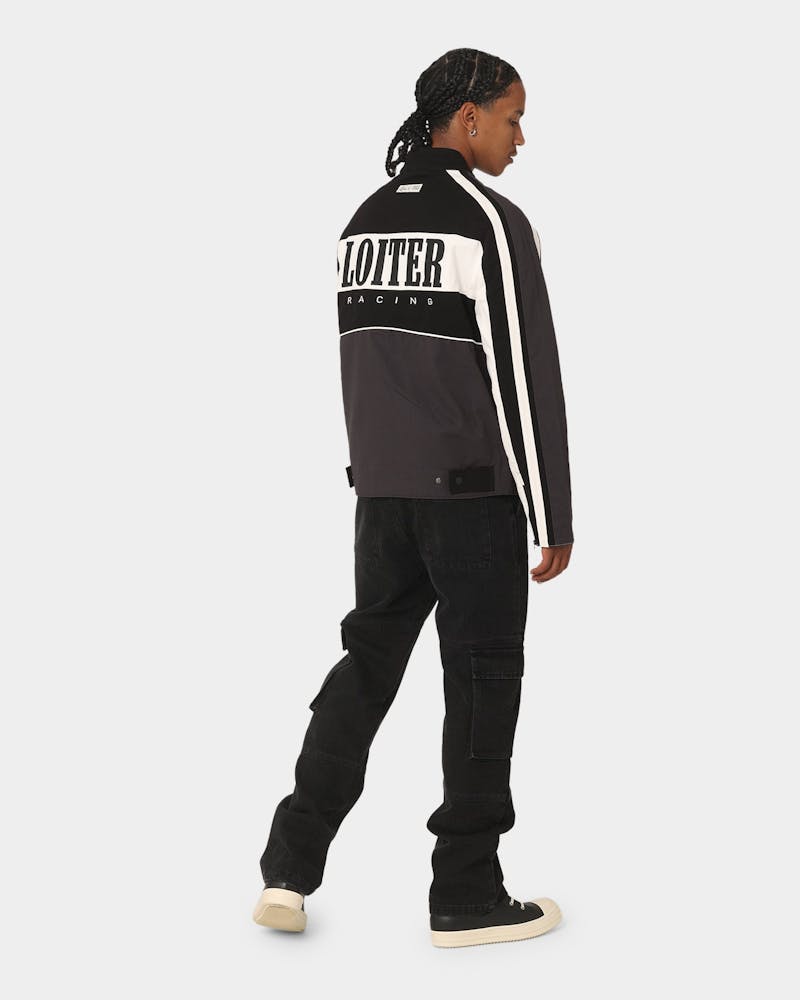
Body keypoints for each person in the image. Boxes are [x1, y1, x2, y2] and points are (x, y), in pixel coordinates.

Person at [252, 47, 574, 949]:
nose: (520, 137)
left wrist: (378, 474)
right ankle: (466, 892)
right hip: (472, 499)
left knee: (364, 670)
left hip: (382, 498)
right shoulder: (488, 222)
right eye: (512, 117)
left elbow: (364, 371)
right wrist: (552, 513)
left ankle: (287, 870)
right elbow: (525, 378)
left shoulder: (363, 221)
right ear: (467, 118)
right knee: (481, 683)